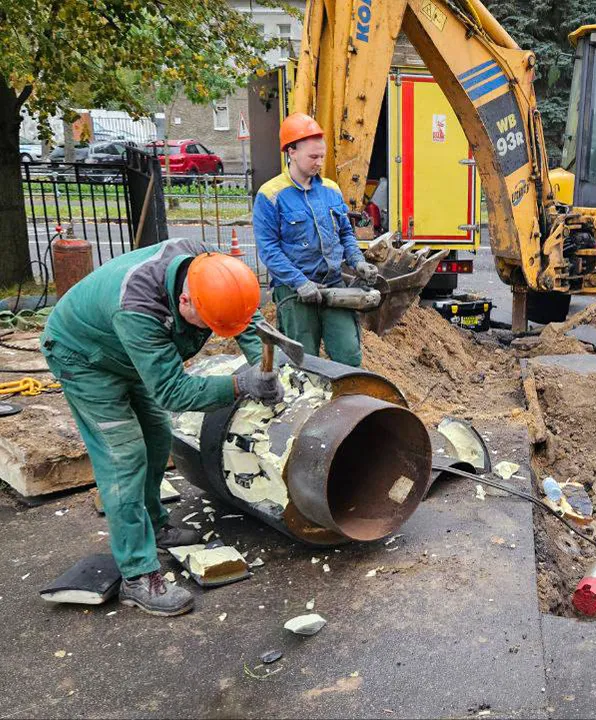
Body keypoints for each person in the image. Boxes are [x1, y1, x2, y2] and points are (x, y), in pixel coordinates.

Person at [41, 240, 284, 617]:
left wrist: (266, 367)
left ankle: (154, 526)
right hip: (84, 358)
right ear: (186, 302)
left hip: (129, 353)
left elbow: (244, 319)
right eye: (211, 326)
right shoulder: (138, 309)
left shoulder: (210, 271)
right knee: (124, 456)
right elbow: (172, 390)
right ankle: (138, 577)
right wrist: (242, 384)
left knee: (156, 437)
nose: (217, 334)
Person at [253, 112, 379, 367]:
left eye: (321, 156)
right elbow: (268, 250)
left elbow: (345, 233)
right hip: (294, 292)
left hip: (333, 284)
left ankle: (347, 404)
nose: (319, 162)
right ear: (291, 152)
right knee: (303, 361)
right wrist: (299, 282)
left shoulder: (331, 190)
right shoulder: (270, 195)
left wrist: (358, 261)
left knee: (348, 354)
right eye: (313, 157)